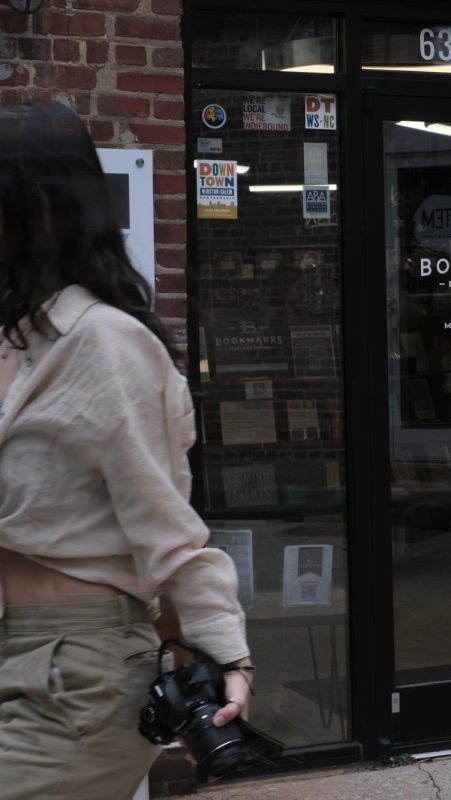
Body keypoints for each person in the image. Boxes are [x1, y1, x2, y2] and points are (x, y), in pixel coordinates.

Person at [0, 101, 251, 799]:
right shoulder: (19, 340)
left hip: (78, 670)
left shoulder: (107, 345)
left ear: (31, 210)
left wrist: (229, 655)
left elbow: (167, 524)